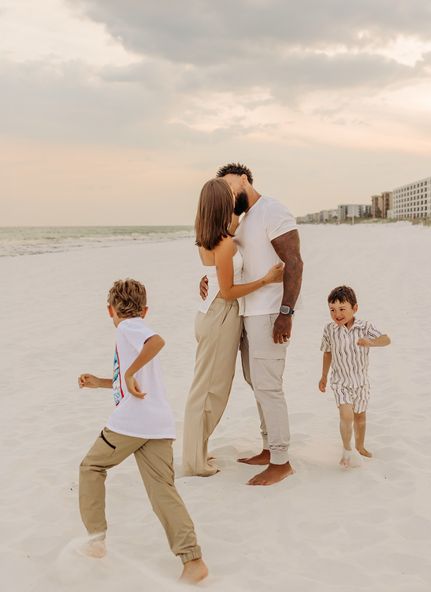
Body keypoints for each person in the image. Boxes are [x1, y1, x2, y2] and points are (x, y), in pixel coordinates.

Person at [78, 279, 208, 584]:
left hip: (132, 422)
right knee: (163, 491)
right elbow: (132, 379)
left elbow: (157, 342)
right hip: (158, 423)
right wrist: (100, 381)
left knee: (91, 467)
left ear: (109, 310)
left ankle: (96, 540)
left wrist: (130, 371)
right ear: (146, 310)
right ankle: (193, 560)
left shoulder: (128, 328)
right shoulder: (134, 335)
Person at [201, 163, 303, 486]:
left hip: (270, 313)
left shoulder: (272, 210)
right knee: (255, 382)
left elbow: (295, 263)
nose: (230, 195)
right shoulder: (243, 221)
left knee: (268, 385)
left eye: (231, 186)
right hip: (248, 313)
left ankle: (281, 460)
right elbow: (231, 263)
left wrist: (286, 312)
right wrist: (206, 282)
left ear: (244, 178)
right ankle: (267, 446)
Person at [182, 178, 284, 477]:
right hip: (220, 313)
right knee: (209, 391)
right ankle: (194, 461)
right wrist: (265, 280)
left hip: (212, 313)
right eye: (229, 197)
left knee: (207, 388)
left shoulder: (209, 236)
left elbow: (215, 276)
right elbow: (227, 291)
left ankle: (196, 452)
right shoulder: (224, 243)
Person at [318, 285, 391, 468]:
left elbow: (386, 339)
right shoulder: (330, 330)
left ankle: (360, 446)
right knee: (346, 415)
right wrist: (324, 376)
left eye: (342, 309)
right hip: (340, 382)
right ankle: (346, 450)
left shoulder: (364, 327)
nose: (337, 314)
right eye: (332, 310)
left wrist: (371, 342)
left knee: (360, 417)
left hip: (361, 382)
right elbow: (327, 353)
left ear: (354, 308)